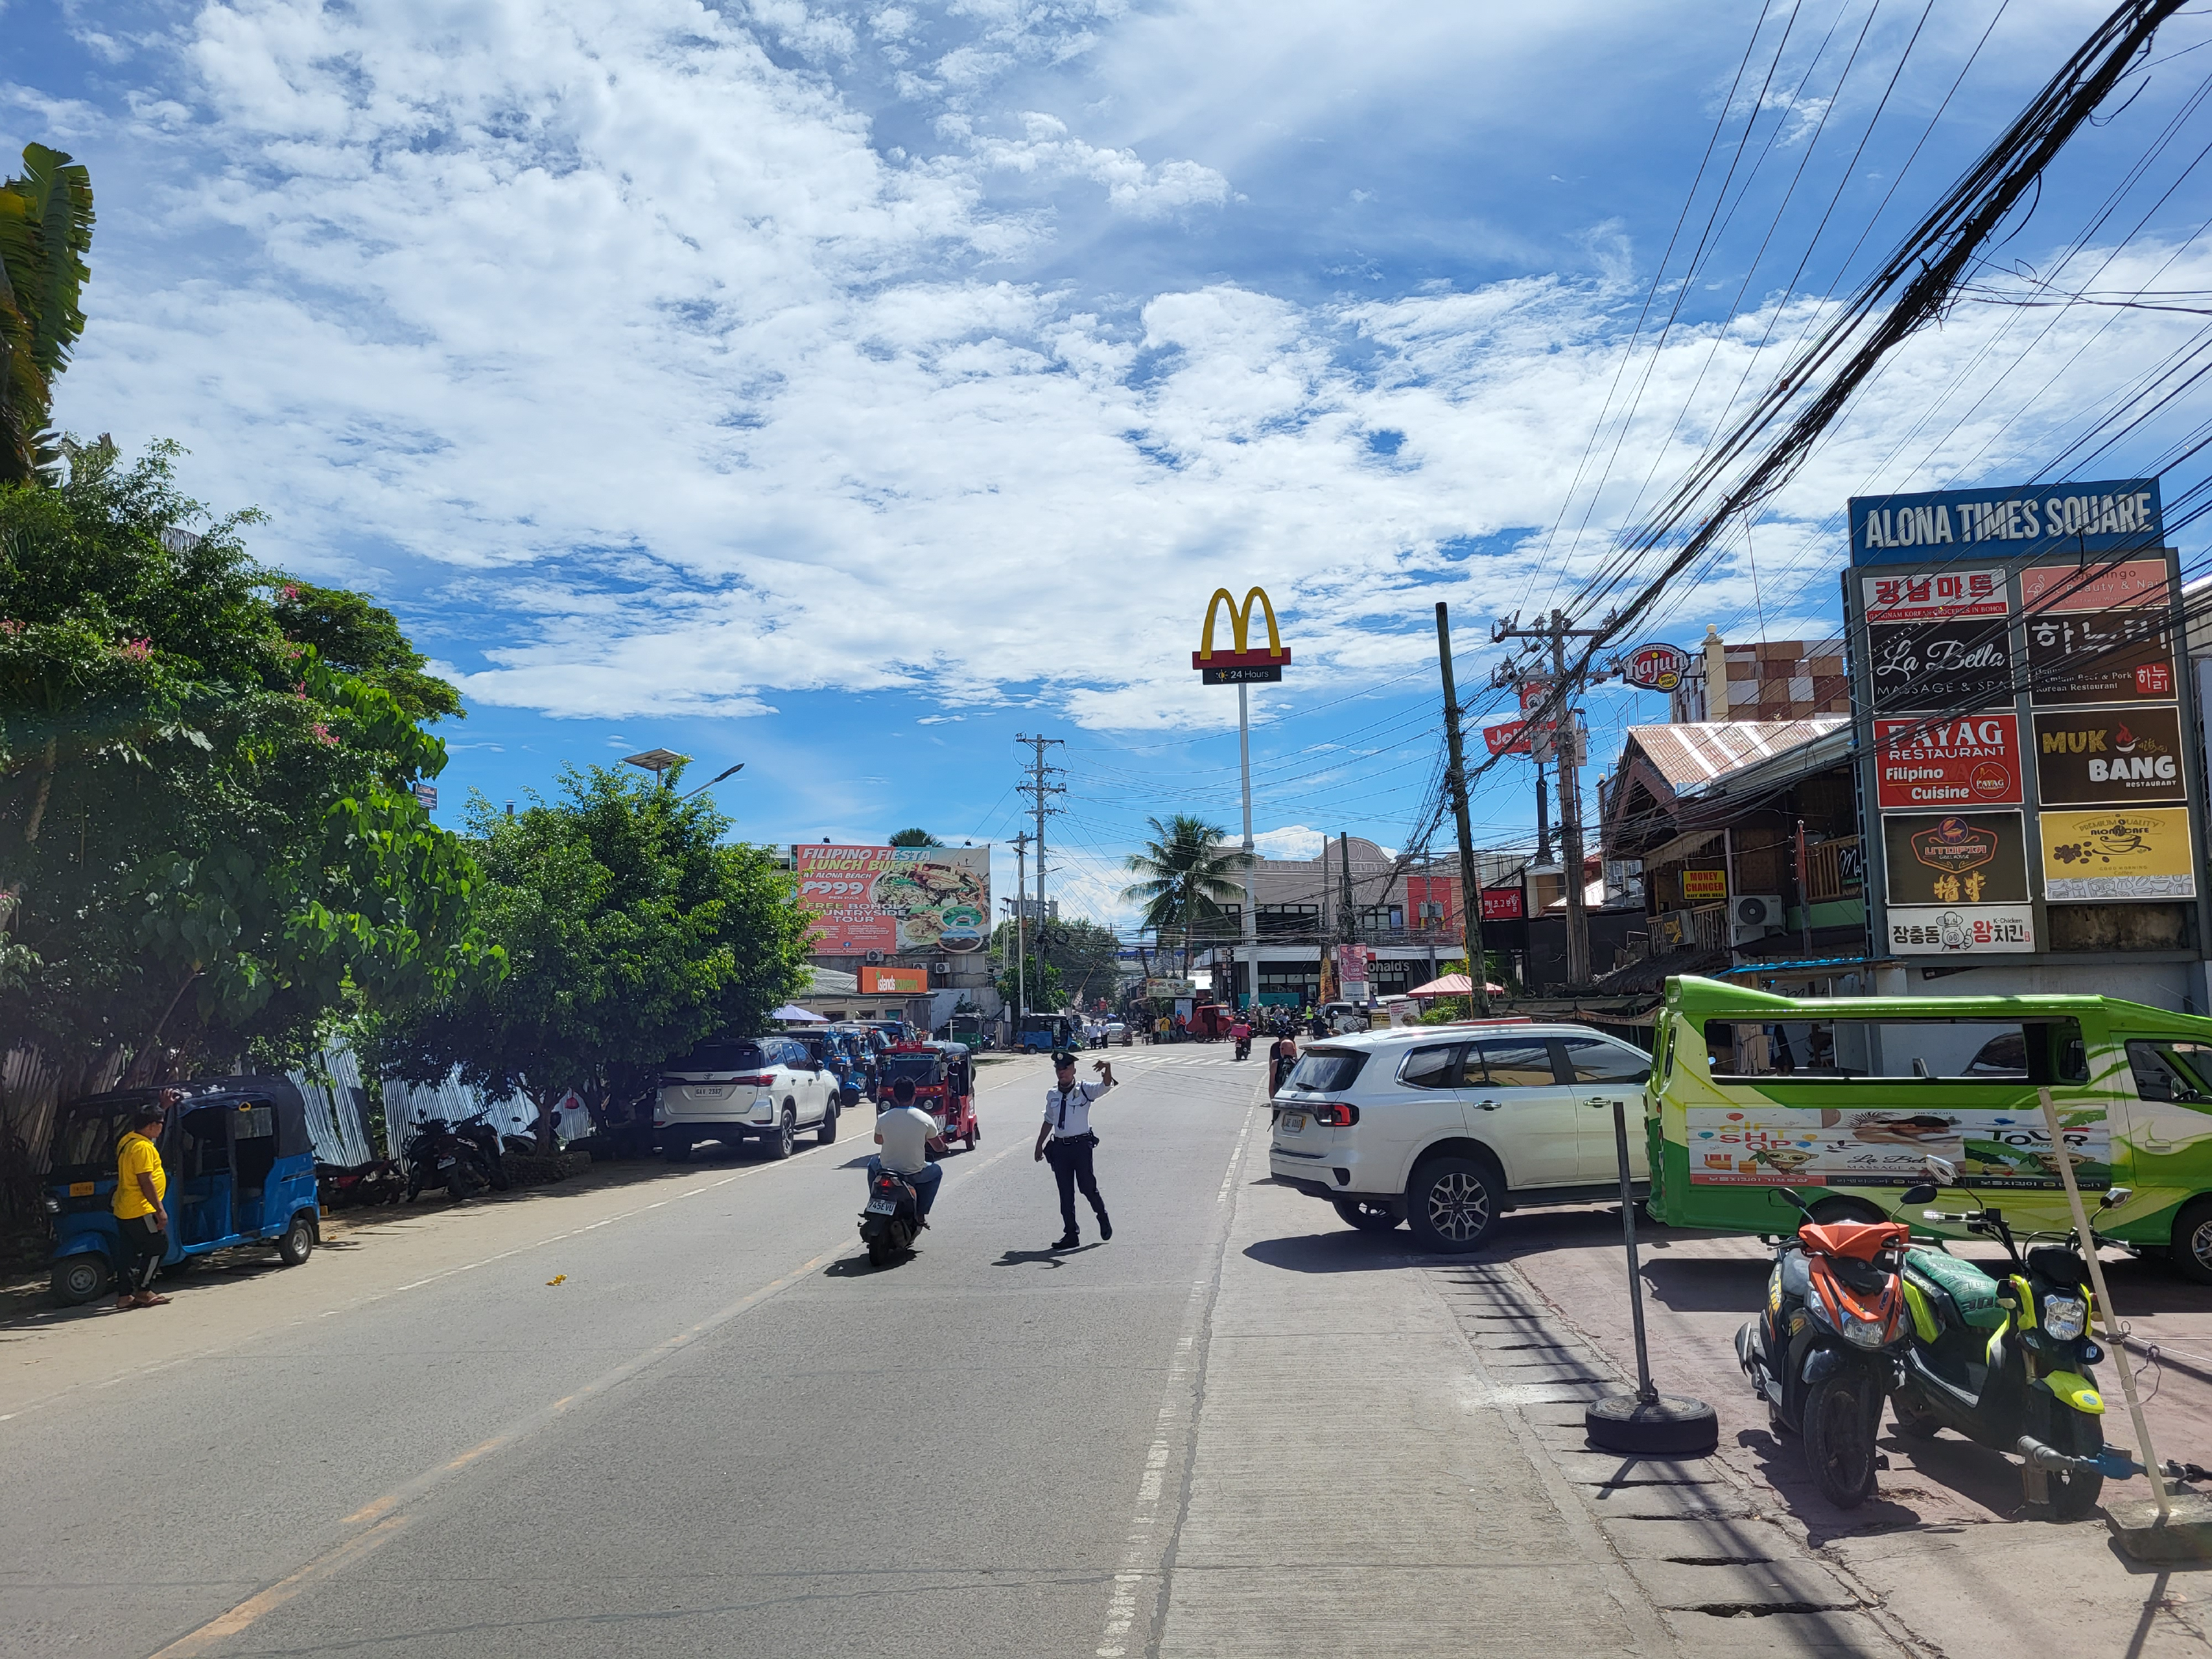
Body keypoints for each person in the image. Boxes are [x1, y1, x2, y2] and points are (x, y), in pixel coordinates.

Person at [1035, 1051, 1115, 1250]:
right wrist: (1039, 1144)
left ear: (1073, 1070)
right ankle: (1071, 1234)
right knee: (1065, 1193)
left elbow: (1105, 1086)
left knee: (1087, 1187)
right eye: (1058, 1069)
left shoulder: (1085, 1089)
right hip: (1060, 1148)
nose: (1061, 1072)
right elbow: (1048, 1120)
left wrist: (1107, 1068)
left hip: (1081, 1146)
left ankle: (1102, 1217)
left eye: (1065, 1068)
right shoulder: (1052, 1094)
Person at [111, 1102, 172, 1310]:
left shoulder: (128, 1140)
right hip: (141, 1208)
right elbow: (145, 1181)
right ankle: (144, 1291)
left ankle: (125, 1296)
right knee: (158, 1245)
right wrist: (160, 1210)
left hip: (124, 1208)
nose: (162, 1128)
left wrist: (163, 1106)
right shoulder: (143, 1148)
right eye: (160, 1124)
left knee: (128, 1253)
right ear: (152, 1126)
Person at [869, 1077, 945, 1222]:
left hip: (885, 1170)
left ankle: (875, 1199)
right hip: (913, 1173)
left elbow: (878, 1140)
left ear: (894, 1096)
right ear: (914, 1096)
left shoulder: (883, 1117)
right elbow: (938, 1146)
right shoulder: (925, 1119)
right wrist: (944, 1148)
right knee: (936, 1171)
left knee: (872, 1163)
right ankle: (921, 1213)